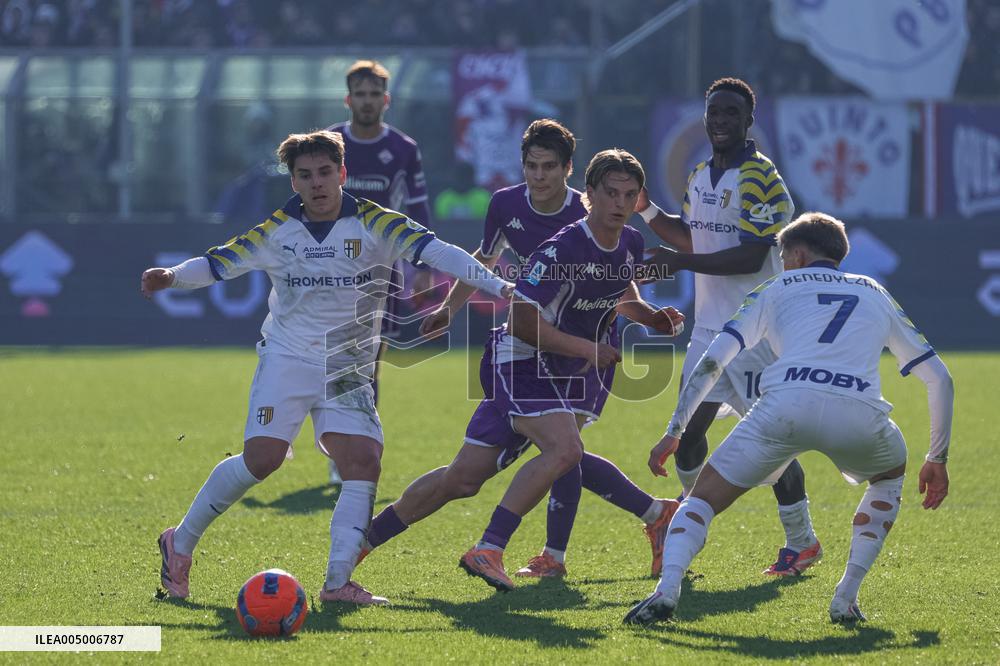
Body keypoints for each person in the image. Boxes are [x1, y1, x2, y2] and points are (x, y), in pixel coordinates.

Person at [143, 130, 511, 606]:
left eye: (323, 173)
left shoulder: (377, 223)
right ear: (293, 181)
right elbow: (218, 264)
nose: (316, 183)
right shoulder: (277, 231)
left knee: (363, 461)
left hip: (348, 367)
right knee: (263, 460)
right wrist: (171, 276)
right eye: (304, 175)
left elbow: (439, 251)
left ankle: (337, 583)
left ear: (341, 174)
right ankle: (181, 542)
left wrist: (496, 285)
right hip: (288, 357)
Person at [360, 124, 683, 583]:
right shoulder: (540, 228)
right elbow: (504, 292)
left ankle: (365, 539)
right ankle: (503, 547)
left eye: (549, 166)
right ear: (592, 194)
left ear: (570, 173)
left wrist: (648, 316)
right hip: (529, 353)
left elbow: (618, 283)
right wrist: (451, 308)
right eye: (531, 165)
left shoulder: (621, 234)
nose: (539, 175)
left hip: (574, 356)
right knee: (563, 447)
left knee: (468, 476)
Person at [625, 212, 953, 625]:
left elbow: (712, 361)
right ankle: (846, 597)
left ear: (796, 254)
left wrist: (676, 429)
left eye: (782, 255)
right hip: (860, 414)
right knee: (888, 475)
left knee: (701, 500)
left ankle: (667, 589)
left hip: (784, 407)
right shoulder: (874, 291)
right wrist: (937, 458)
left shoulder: (775, 286)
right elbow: (939, 378)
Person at [637, 77, 820, 575]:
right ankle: (690, 521)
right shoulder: (699, 174)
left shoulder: (764, 179)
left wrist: (678, 263)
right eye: (713, 111)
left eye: (730, 112)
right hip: (708, 332)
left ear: (748, 120)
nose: (719, 120)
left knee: (770, 443)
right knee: (688, 435)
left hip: (759, 334)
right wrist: (646, 210)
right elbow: (693, 237)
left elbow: (751, 256)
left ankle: (802, 541)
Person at [326, 59, 433, 484]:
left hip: (379, 270)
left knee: (369, 361)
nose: (368, 102)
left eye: (375, 94)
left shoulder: (404, 149)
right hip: (330, 267)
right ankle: (337, 444)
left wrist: (422, 264)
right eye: (361, 94)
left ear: (385, 100)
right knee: (331, 359)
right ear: (348, 98)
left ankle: (353, 451)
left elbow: (418, 207)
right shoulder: (330, 142)